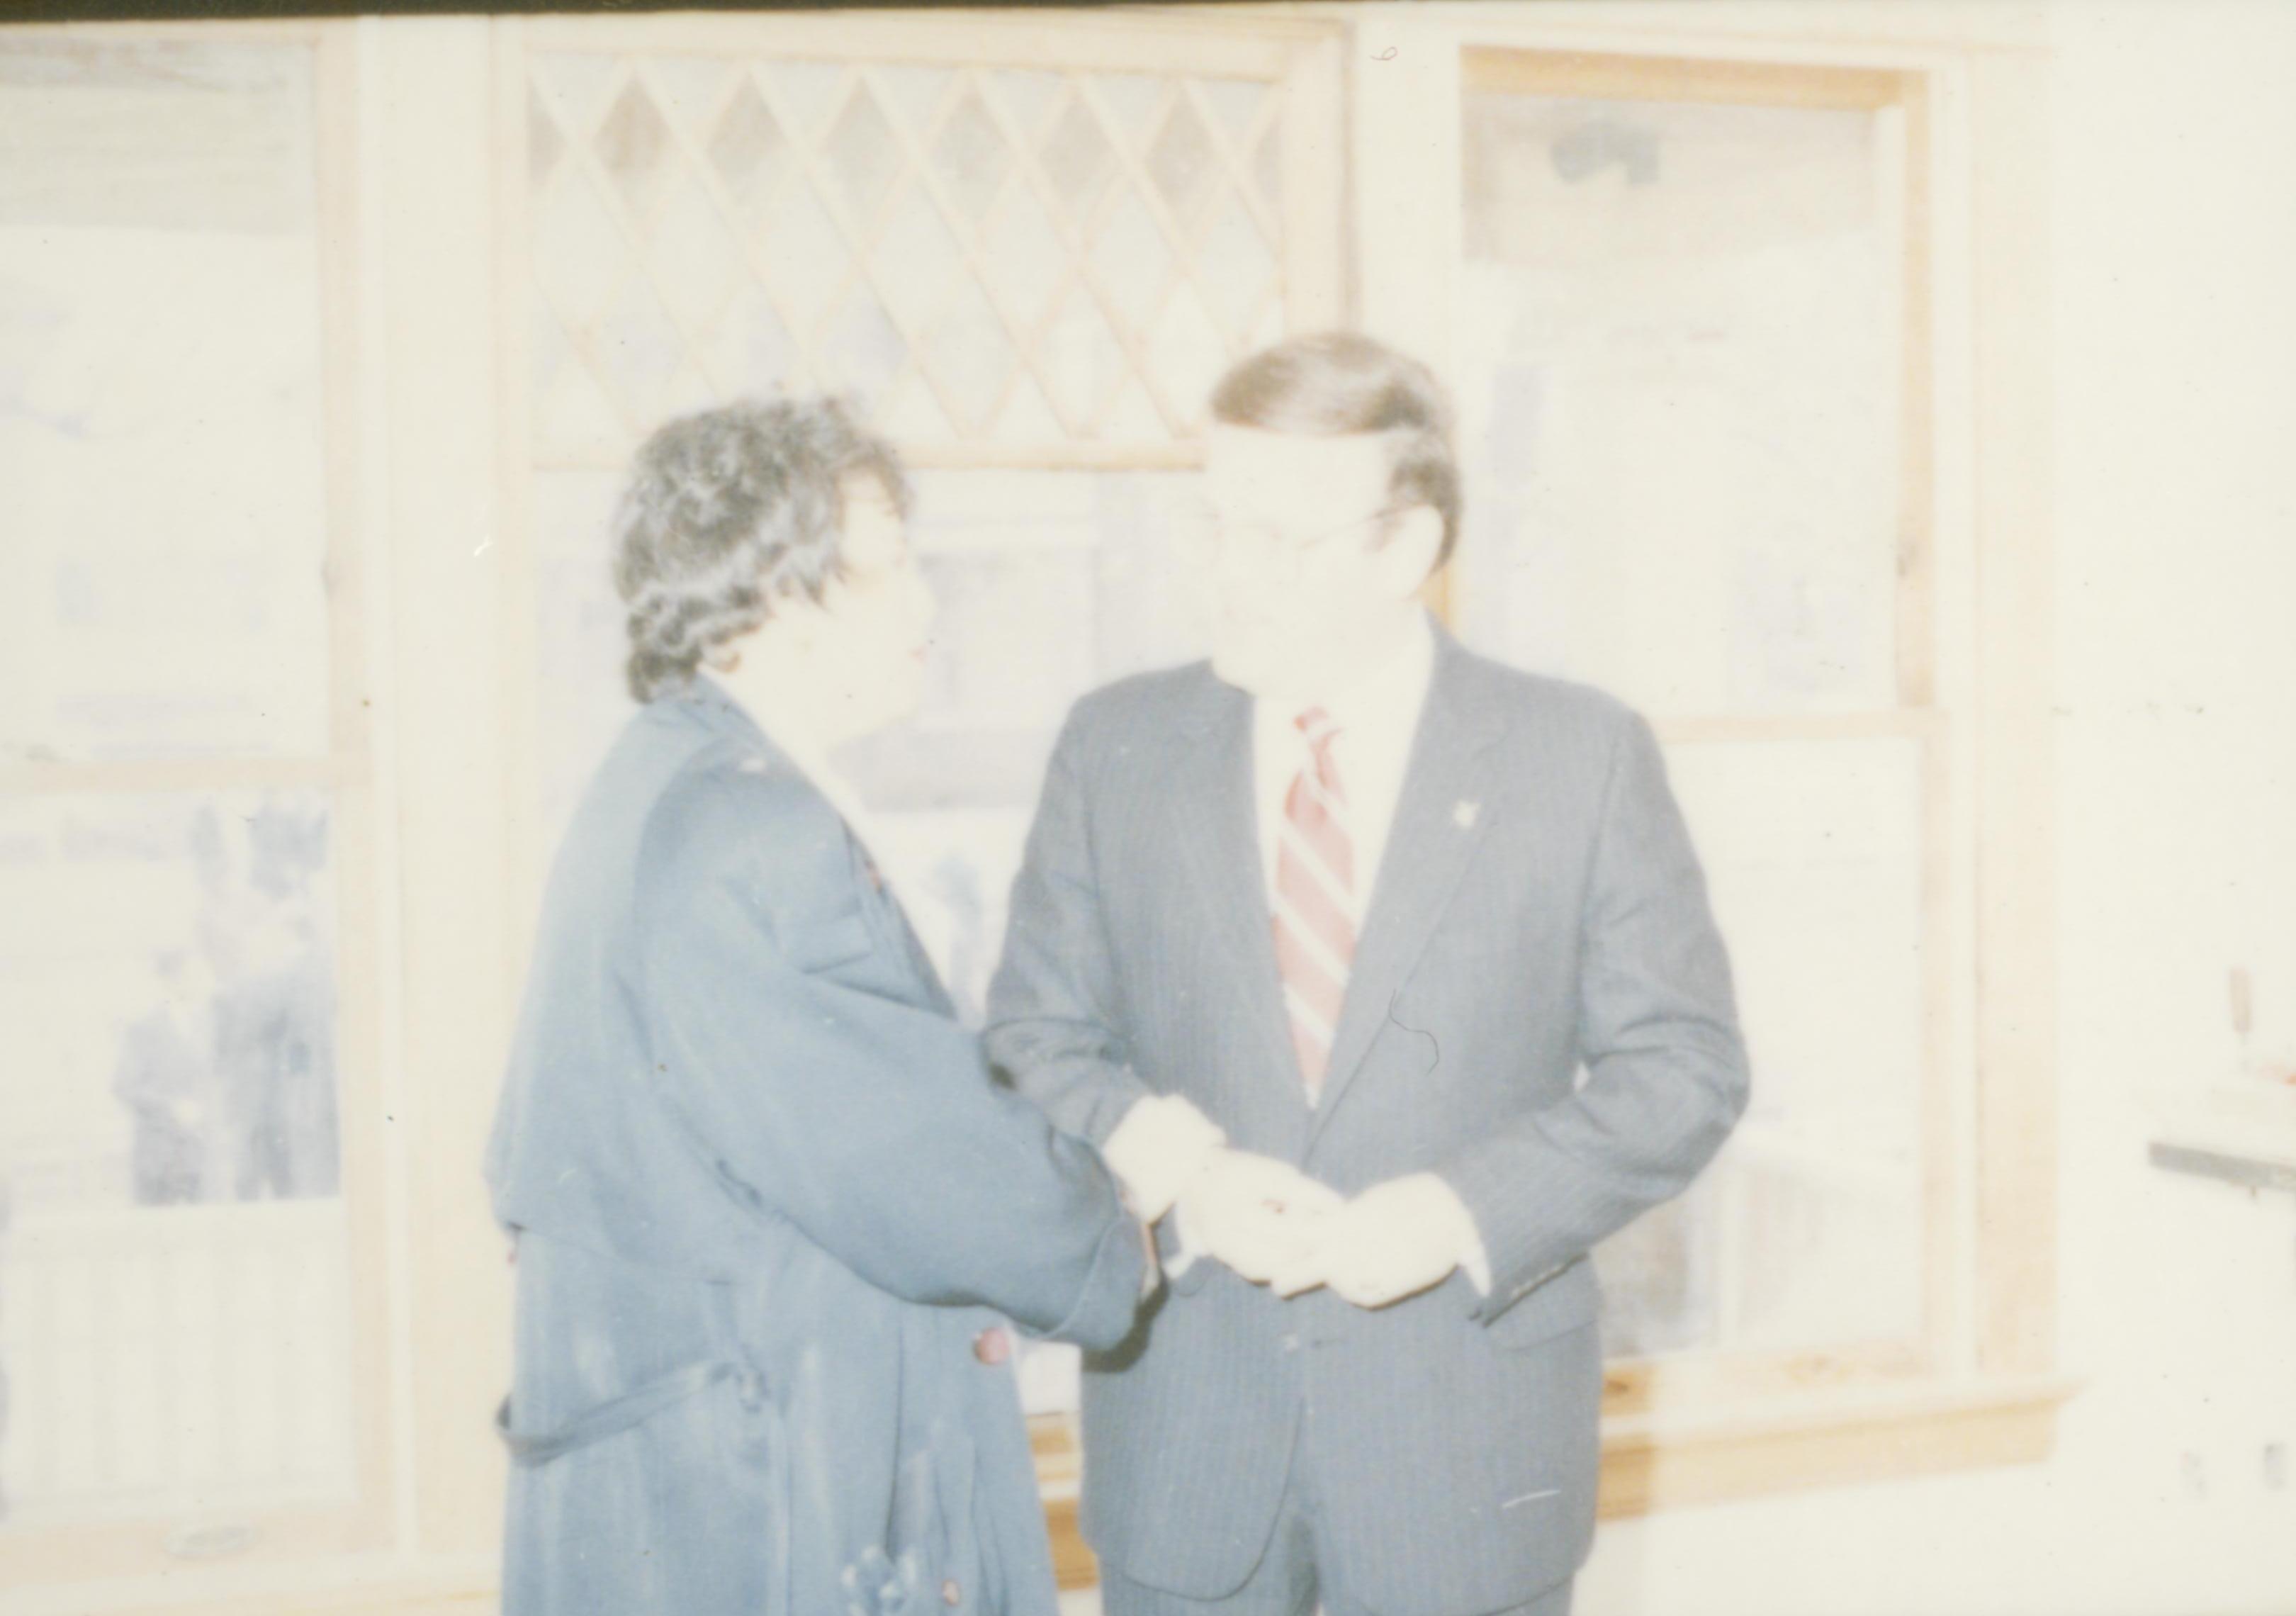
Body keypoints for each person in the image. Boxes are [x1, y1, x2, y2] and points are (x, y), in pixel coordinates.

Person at [986, 332, 1749, 1616]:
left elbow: (1684, 1069)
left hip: (1462, 1468)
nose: (1223, 576)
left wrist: (1458, 1214)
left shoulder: (1579, 756)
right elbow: (1030, 1041)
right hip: (1189, 1461)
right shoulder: (1117, 746)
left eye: (1275, 541)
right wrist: (1187, 1181)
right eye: (1212, 524)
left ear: (1406, 548)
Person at [484, 398, 1148, 1616]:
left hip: (681, 1506)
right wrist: (1131, 1217)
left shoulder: (659, 778)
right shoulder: (756, 827)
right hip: (769, 1507)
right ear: (774, 595)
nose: (927, 609)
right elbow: (916, 1168)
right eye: (890, 568)